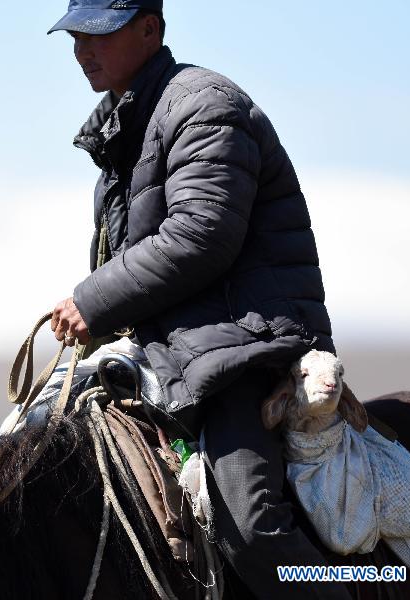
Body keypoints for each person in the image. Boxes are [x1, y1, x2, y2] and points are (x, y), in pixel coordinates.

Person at [45, 1, 351, 598]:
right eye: (75, 37)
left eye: (97, 36)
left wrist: (93, 301)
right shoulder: (129, 124)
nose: (82, 52)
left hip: (245, 350)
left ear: (150, 30)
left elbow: (201, 235)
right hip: (179, 354)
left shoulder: (202, 105)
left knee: (251, 526)